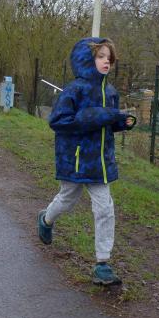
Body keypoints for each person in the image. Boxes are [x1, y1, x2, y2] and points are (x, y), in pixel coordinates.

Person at [36, 37, 136, 286]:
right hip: (75, 158)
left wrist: (120, 122)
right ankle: (46, 219)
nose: (106, 62)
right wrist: (98, 115)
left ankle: (103, 263)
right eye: (101, 57)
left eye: (109, 58)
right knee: (67, 199)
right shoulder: (74, 90)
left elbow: (105, 124)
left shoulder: (111, 92)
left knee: (105, 209)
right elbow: (58, 122)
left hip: (100, 162)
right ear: (86, 60)